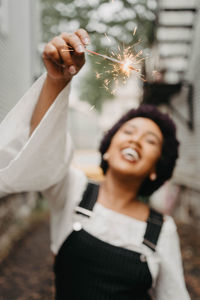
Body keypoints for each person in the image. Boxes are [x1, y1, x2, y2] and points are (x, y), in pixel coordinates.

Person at [0, 28, 190, 300]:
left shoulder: (162, 230)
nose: (135, 140)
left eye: (150, 141)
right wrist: (57, 81)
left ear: (154, 170)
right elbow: (41, 151)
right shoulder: (73, 189)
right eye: (128, 132)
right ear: (108, 149)